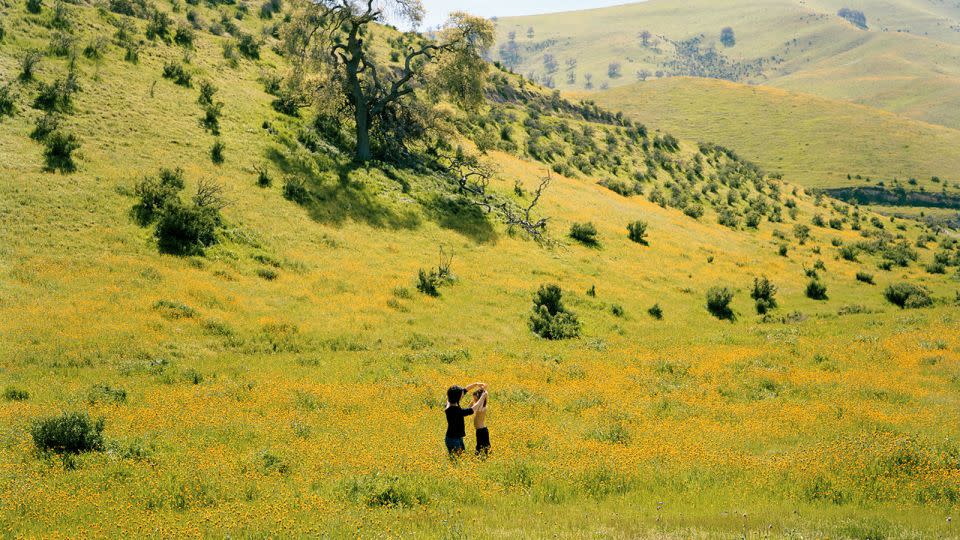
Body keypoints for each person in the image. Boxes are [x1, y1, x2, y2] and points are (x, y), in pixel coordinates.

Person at [444, 382, 486, 456]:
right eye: (461, 395)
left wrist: (476, 384)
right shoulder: (454, 410)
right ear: (458, 397)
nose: (463, 395)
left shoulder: (450, 402)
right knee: (457, 460)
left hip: (457, 437)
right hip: (453, 440)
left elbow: (465, 390)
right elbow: (473, 409)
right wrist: (483, 396)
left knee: (461, 457)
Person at [472, 388, 490, 458]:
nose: (475, 401)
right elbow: (469, 407)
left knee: (483, 447)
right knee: (480, 446)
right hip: (479, 430)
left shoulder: (483, 407)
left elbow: (478, 405)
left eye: (476, 399)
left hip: (482, 431)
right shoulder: (479, 406)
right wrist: (474, 399)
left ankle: (483, 459)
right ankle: (481, 459)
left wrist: (483, 395)